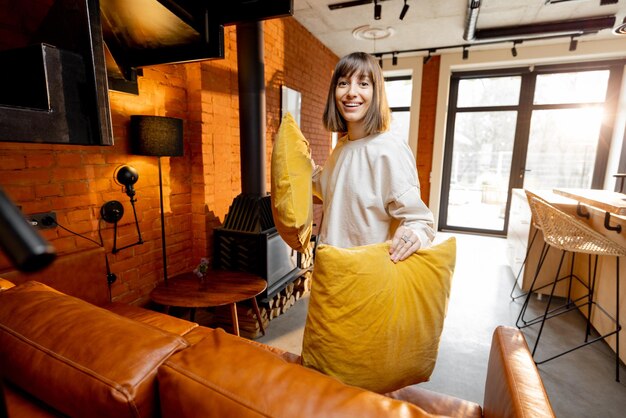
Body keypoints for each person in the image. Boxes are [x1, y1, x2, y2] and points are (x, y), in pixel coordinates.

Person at [312, 52, 435, 263]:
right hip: (329, 274)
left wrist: (414, 235)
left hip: (368, 278)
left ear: (376, 92)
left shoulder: (390, 149)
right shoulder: (341, 147)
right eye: (343, 83)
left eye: (363, 84)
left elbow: (420, 221)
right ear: (334, 92)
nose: (351, 92)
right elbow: (330, 189)